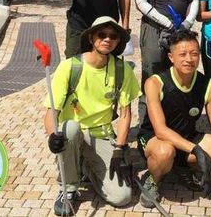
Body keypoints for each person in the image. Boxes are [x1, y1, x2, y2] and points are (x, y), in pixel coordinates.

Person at [43, 16, 141, 215]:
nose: (107, 39)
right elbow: (51, 112)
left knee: (122, 197)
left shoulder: (122, 69)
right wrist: (53, 135)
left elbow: (125, 115)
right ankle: (68, 188)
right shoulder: (70, 66)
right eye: (101, 35)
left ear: (118, 42)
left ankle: (85, 166)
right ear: (91, 38)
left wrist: (120, 149)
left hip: (102, 135)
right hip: (73, 134)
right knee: (70, 128)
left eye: (113, 36)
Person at [137, 30, 211, 208]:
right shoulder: (155, 83)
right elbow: (160, 130)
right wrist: (196, 150)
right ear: (171, 57)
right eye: (182, 54)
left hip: (186, 137)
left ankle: (182, 167)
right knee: (164, 153)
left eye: (194, 54)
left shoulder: (209, 86)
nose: (189, 59)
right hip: (155, 138)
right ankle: (153, 179)